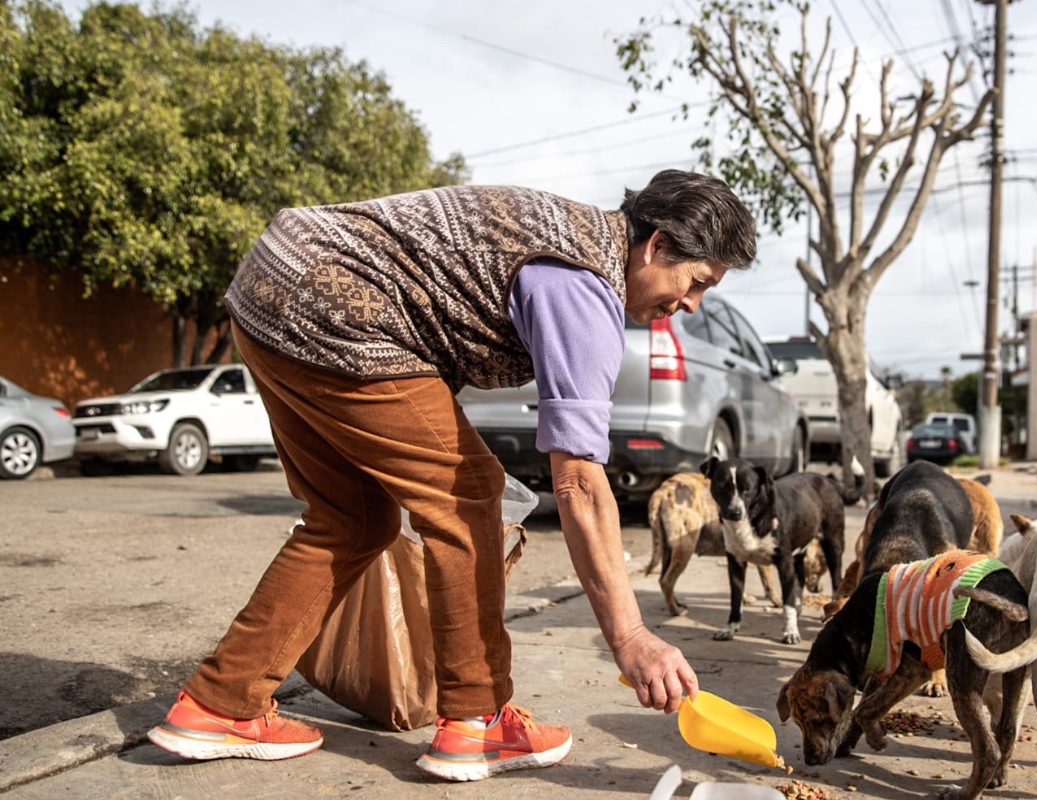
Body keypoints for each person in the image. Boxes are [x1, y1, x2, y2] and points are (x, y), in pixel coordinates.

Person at [146, 170, 758, 781]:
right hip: (337, 304)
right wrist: (630, 636)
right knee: (468, 498)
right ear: (655, 246)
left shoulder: (573, 246)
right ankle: (477, 721)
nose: (689, 304)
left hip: (271, 282)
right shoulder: (583, 285)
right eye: (696, 281)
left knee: (352, 518)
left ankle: (219, 704)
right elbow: (579, 484)